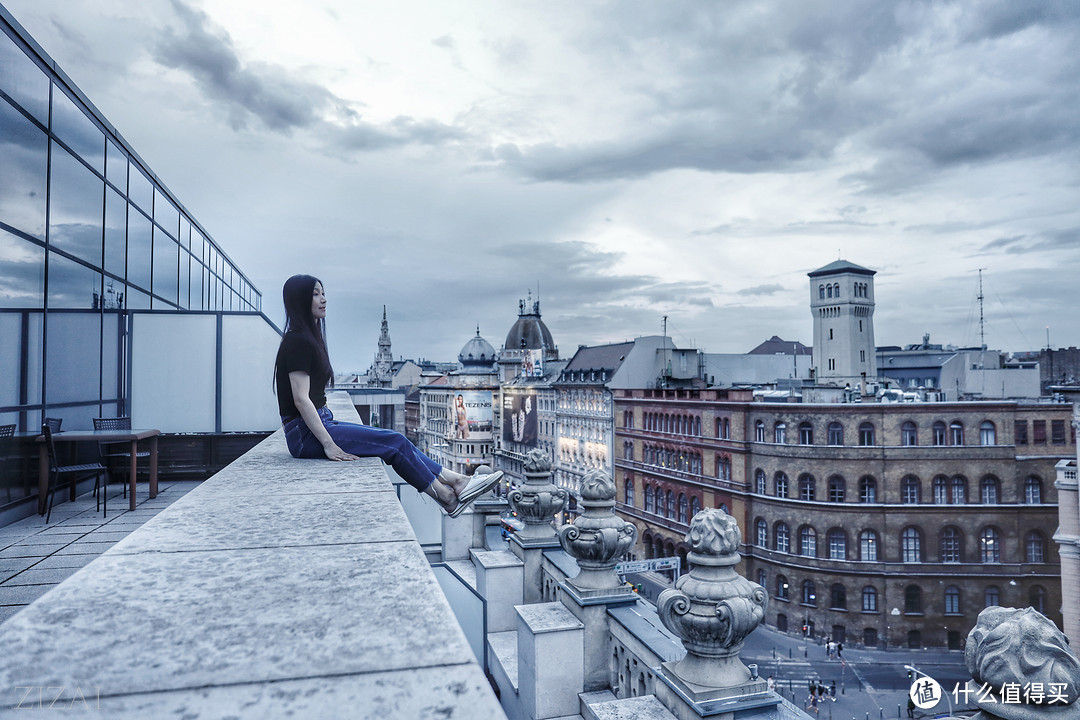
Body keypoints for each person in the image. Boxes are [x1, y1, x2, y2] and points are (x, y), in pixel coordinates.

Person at [274, 274, 500, 517]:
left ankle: (453, 486)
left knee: (395, 439)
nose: (324, 299)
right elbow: (301, 399)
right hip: (304, 434)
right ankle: (448, 494)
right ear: (299, 301)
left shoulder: (306, 339)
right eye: (315, 294)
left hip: (316, 424)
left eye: (323, 293)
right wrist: (328, 444)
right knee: (394, 442)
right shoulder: (297, 341)